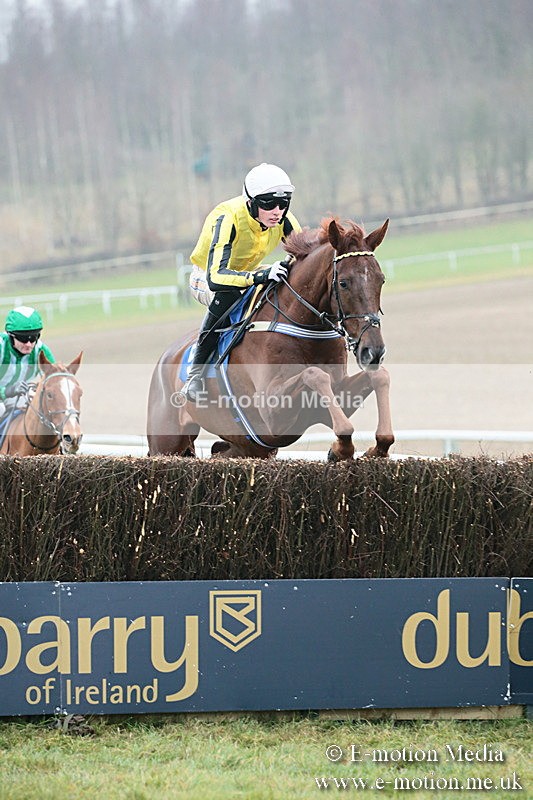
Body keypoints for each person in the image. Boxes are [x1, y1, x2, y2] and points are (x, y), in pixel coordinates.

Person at [183, 162, 301, 401]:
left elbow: (305, 255)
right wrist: (258, 276)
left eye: (283, 203)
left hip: (247, 271)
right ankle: (196, 375)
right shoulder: (227, 218)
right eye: (268, 204)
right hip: (207, 276)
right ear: (251, 202)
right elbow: (216, 277)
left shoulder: (283, 219)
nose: (277, 211)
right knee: (230, 295)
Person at [0, 306, 56, 421]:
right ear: (10, 335)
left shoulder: (41, 351)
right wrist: (7, 390)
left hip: (17, 395)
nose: (29, 344)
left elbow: (55, 380)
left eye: (34, 337)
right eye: (23, 338)